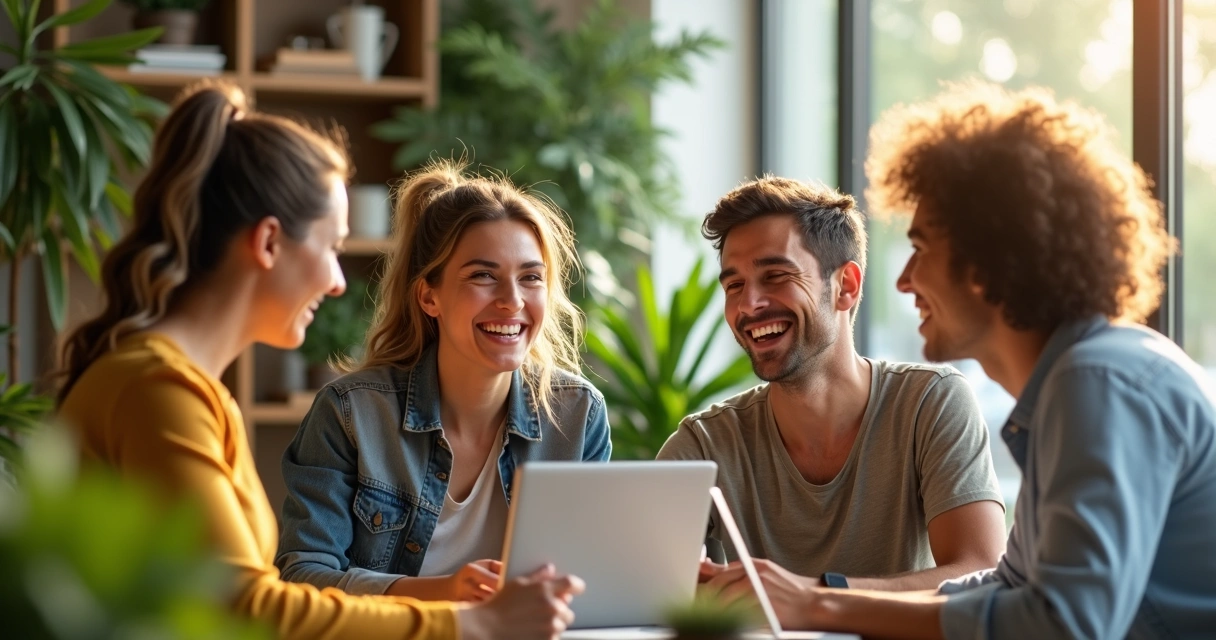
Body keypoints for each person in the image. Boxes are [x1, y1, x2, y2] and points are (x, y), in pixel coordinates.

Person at [56, 81, 584, 640]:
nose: (337, 282)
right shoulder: (159, 390)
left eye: (531, 277)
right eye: (331, 247)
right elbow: (249, 607)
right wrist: (470, 622)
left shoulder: (185, 389)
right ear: (268, 243)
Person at [706, 82, 1216, 639]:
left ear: (989, 258)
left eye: (921, 249)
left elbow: (1062, 625)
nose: (904, 280)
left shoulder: (1097, 382)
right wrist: (809, 597)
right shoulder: (1077, 383)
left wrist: (818, 604)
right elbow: (1008, 586)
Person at [274, 160, 612, 603]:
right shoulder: (351, 414)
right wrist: (444, 594)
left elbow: (593, 578)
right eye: (483, 276)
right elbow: (302, 578)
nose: (512, 301)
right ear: (429, 296)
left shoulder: (578, 414)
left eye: (530, 277)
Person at [658, 176, 1006, 591]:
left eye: (775, 276)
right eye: (734, 285)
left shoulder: (929, 403)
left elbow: (978, 572)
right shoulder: (704, 445)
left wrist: (812, 596)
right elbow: (640, 590)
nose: (748, 304)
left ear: (846, 286)